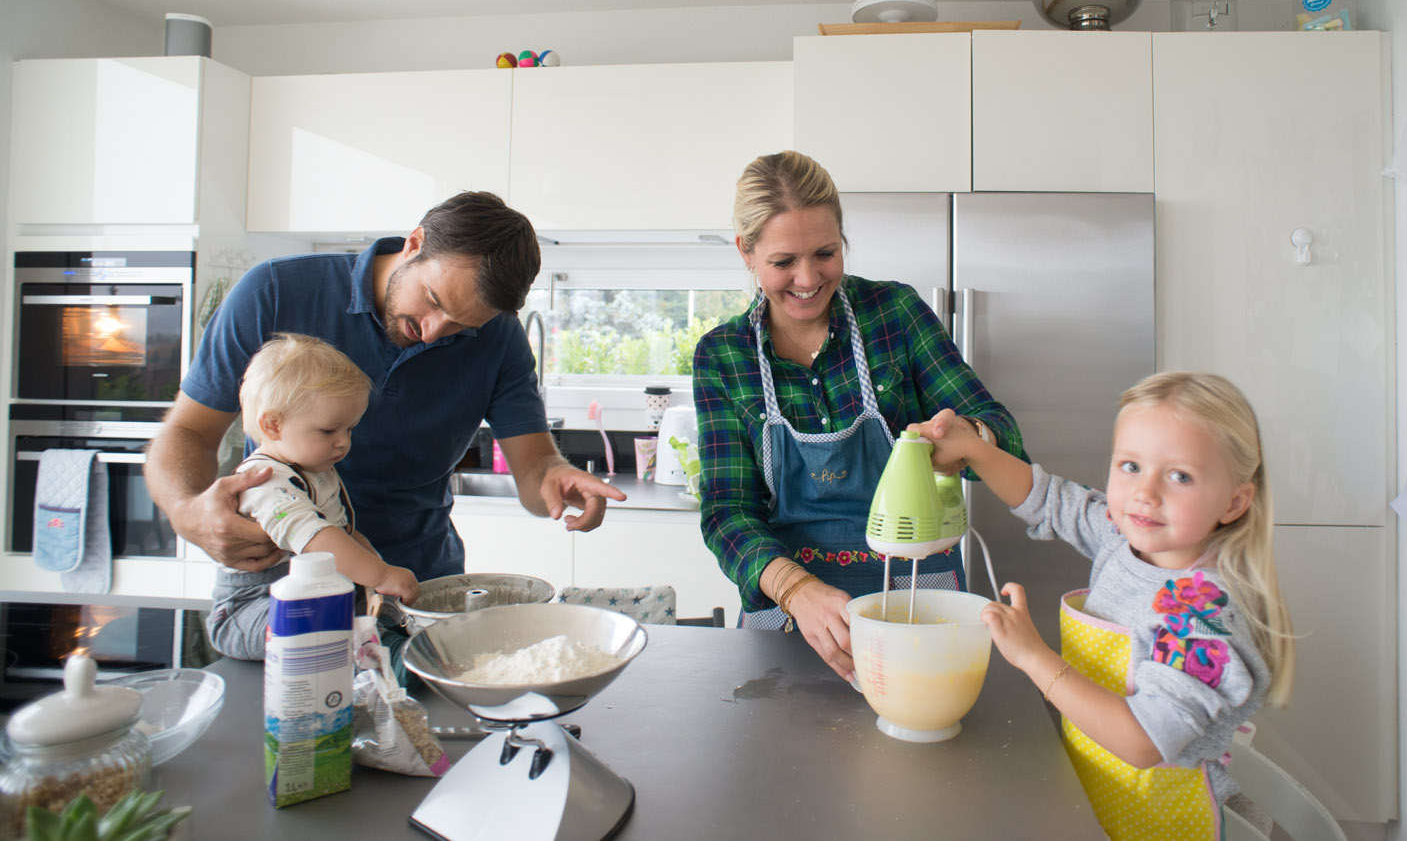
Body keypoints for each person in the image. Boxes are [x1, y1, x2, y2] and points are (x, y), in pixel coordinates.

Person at [147, 191, 625, 585]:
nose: (435, 330)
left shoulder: (499, 339)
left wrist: (555, 480)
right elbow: (188, 431)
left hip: (416, 581)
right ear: (414, 243)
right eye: (433, 301)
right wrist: (186, 509)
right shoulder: (274, 291)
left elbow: (534, 467)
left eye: (460, 325)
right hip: (280, 577)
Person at [912, 371, 1294, 841]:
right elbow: (1049, 500)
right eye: (1130, 466)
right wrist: (973, 449)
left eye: (1180, 476)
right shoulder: (1124, 538)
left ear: (1234, 502)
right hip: (1103, 807)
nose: (1145, 493)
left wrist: (1033, 656)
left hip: (1166, 826)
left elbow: (1142, 741)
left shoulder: (1201, 616)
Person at [693, 151, 1024, 681]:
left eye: (825, 253)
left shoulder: (894, 314)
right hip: (788, 612)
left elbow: (1002, 433)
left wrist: (968, 437)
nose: (807, 278)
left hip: (919, 595)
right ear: (746, 253)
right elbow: (727, 512)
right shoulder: (723, 355)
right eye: (783, 262)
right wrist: (796, 589)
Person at [208, 334, 419, 660]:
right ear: (273, 424)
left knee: (370, 607)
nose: (343, 443)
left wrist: (378, 572)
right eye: (328, 431)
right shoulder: (265, 482)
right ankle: (382, 654)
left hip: (307, 590)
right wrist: (382, 575)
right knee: (317, 623)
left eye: (349, 430)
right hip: (249, 608)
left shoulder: (315, 469)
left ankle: (386, 642)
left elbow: (342, 534)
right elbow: (318, 540)